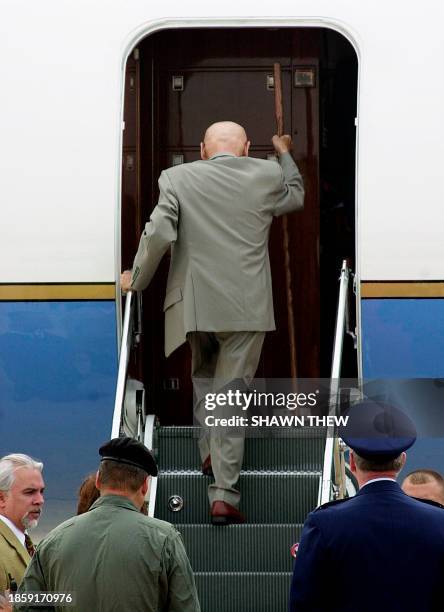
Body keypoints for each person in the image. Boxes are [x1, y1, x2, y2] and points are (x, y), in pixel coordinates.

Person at [121, 121, 304, 524]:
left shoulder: (175, 177)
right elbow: (295, 197)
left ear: (203, 149)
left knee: (205, 380)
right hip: (246, 307)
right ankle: (223, 494)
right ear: (246, 148)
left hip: (195, 307)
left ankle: (208, 453)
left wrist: (136, 278)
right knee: (230, 396)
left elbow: (158, 234)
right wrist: (284, 153)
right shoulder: (267, 173)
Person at [289, 400, 444, 612]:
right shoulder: (439, 522)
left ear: (351, 462)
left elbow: (304, 605)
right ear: (403, 460)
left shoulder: (324, 524)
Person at [19, 436, 200, 612]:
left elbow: (27, 605)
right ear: (145, 486)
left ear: (98, 480)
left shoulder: (54, 540)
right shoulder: (165, 539)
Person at [0, 454, 44, 594]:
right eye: (29, 492)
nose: (40, 500)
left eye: (41, 491)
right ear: (1, 498)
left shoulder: (30, 546)